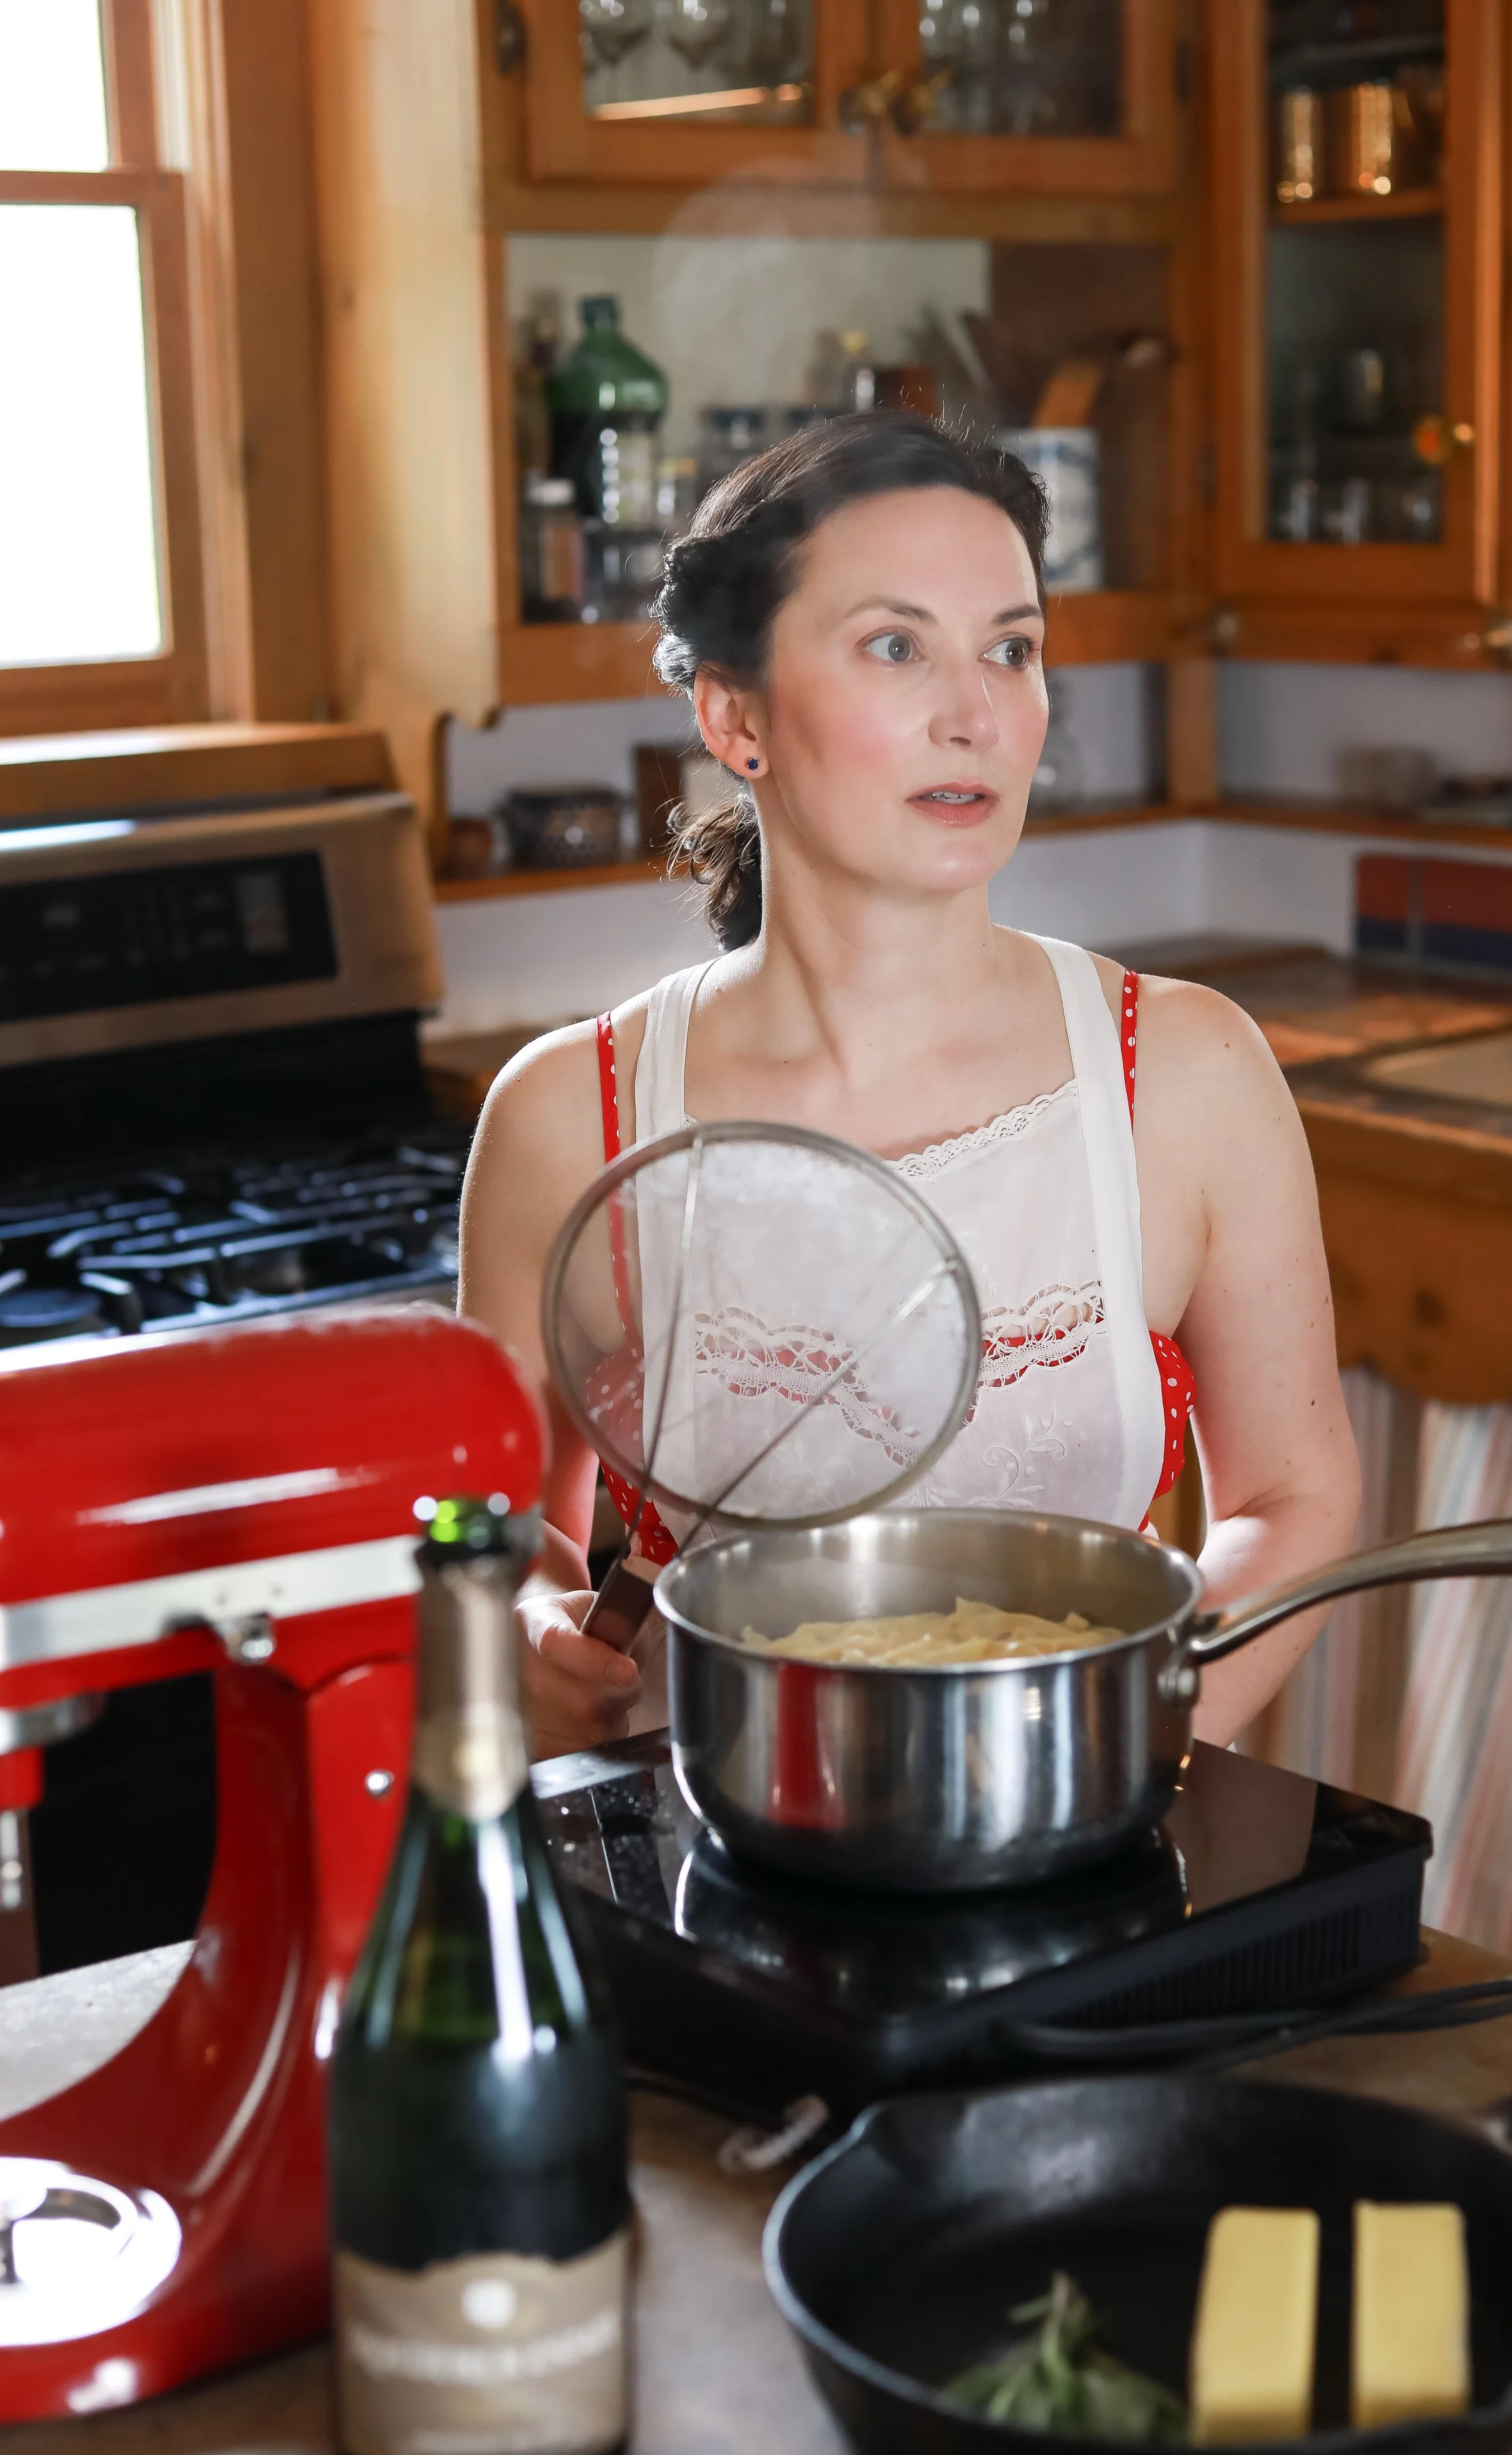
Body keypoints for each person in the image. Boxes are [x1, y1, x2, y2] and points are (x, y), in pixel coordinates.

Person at [459, 412, 1360, 1758]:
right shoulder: (564, 1117)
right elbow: (497, 1533)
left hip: (1085, 1856)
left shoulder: (1186, 1072)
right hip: (707, 1864)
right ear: (734, 714)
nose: (978, 713)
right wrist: (526, 1624)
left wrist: (1114, 1750)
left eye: (1012, 647)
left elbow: (1295, 1497)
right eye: (897, 646)